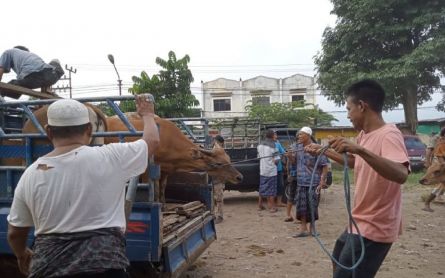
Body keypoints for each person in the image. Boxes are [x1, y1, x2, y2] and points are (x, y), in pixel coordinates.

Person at [7, 95, 159, 277]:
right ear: (89, 130)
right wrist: (148, 114)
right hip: (106, 268)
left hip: (48, 270)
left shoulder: (31, 174)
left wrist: (21, 254)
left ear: (48, 132)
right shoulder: (112, 157)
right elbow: (152, 141)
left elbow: (15, 233)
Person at [306, 79, 410, 278]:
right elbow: (355, 162)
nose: (348, 115)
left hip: (376, 225)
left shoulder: (389, 134)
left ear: (362, 106)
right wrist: (322, 151)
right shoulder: (364, 135)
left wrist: (360, 149)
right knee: (338, 260)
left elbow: (401, 174)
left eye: (349, 109)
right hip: (360, 220)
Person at [292, 126, 328, 238]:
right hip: (301, 182)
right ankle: (303, 229)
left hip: (314, 182)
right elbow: (294, 162)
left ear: (308, 135)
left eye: (301, 134)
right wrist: (289, 157)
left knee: (312, 206)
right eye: (299, 134)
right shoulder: (297, 147)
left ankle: (313, 229)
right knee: (301, 206)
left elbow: (324, 165)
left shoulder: (316, 148)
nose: (299, 136)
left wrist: (322, 180)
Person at [0, 46, 64, 99]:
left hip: (35, 76)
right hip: (54, 75)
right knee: (20, 84)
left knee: (11, 85)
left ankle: (5, 103)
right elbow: (44, 73)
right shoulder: (31, 57)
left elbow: (1, 69)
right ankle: (47, 90)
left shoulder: (8, 52)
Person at [257, 129, 281, 213]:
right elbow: (277, 160)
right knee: (272, 190)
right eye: (275, 135)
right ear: (271, 136)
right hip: (271, 171)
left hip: (262, 170)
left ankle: (260, 206)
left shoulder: (259, 145)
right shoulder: (273, 146)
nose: (276, 136)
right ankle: (272, 207)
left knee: (262, 188)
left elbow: (259, 157)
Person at [423, 128, 445, 212]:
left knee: (441, 187)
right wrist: (427, 162)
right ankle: (427, 203)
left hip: (441, 166)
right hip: (438, 166)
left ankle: (427, 203)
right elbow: (431, 152)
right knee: (440, 186)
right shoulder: (438, 141)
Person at [213, 134, 226, 223]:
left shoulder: (220, 152)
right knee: (215, 199)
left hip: (218, 179)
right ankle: (215, 215)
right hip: (214, 179)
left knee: (219, 199)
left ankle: (220, 216)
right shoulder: (215, 150)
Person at [273, 131, 286, 207]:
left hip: (278, 168)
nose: (276, 136)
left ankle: (279, 202)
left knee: (280, 185)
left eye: (276, 134)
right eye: (274, 134)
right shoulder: (267, 145)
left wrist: (290, 154)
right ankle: (271, 202)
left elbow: (283, 152)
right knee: (272, 186)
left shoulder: (278, 144)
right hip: (270, 169)